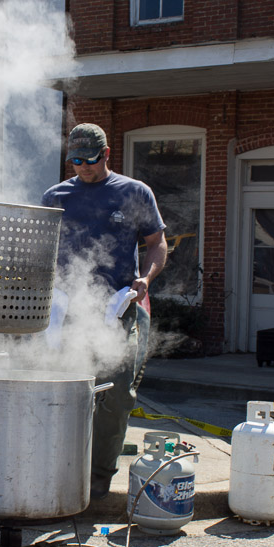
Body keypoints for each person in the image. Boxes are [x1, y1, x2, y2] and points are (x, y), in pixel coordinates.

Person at [41, 123, 167, 500]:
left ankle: (98, 477)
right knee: (63, 389)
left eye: (90, 160)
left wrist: (146, 278)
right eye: (76, 161)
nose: (83, 167)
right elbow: (40, 250)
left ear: (106, 154)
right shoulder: (56, 195)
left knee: (117, 393)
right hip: (67, 312)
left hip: (118, 307)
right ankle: (60, 468)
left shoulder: (133, 192)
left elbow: (157, 244)